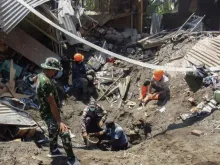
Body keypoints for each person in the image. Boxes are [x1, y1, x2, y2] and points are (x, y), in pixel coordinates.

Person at [36, 57, 80, 165]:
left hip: (44, 109)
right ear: (50, 69)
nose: (56, 72)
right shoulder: (46, 82)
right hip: (49, 111)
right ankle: (71, 159)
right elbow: (52, 103)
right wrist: (59, 121)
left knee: (53, 129)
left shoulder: (40, 76)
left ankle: (54, 150)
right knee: (64, 132)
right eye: (55, 70)